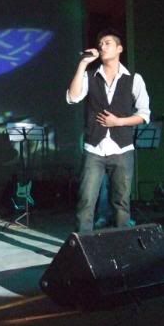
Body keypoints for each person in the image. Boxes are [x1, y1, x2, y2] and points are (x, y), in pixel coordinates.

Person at [67, 29, 150, 233]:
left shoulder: (134, 79)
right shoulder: (89, 76)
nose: (102, 46)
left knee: (121, 202)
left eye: (107, 43)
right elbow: (73, 97)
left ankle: (122, 242)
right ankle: (83, 243)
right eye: (101, 43)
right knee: (86, 200)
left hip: (122, 149)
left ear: (119, 48)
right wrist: (83, 63)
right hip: (94, 149)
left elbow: (144, 115)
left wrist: (119, 122)